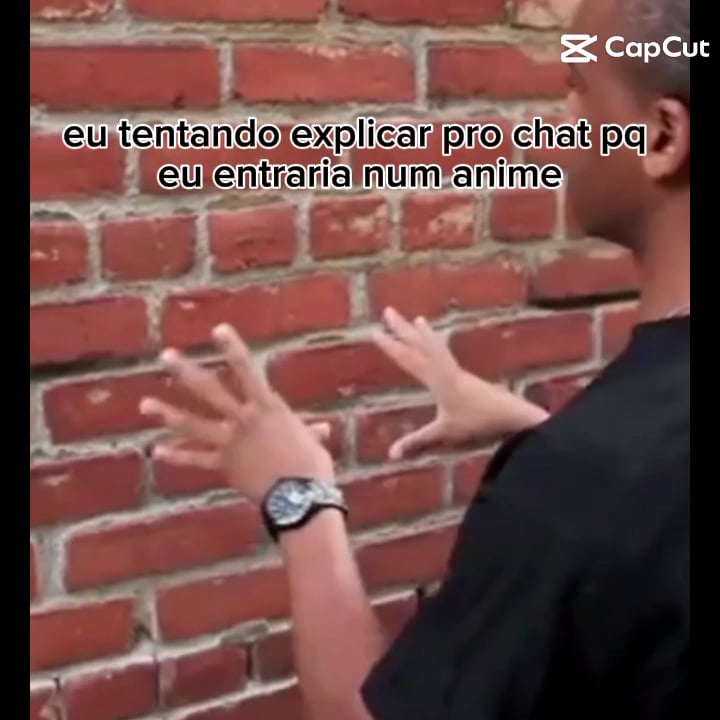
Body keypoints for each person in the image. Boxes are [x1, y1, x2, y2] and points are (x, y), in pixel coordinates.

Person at [138, 0, 690, 717]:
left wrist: (298, 495)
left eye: (577, 90)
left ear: (661, 135)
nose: (559, 122)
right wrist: (538, 431)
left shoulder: (579, 488)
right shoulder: (598, 478)